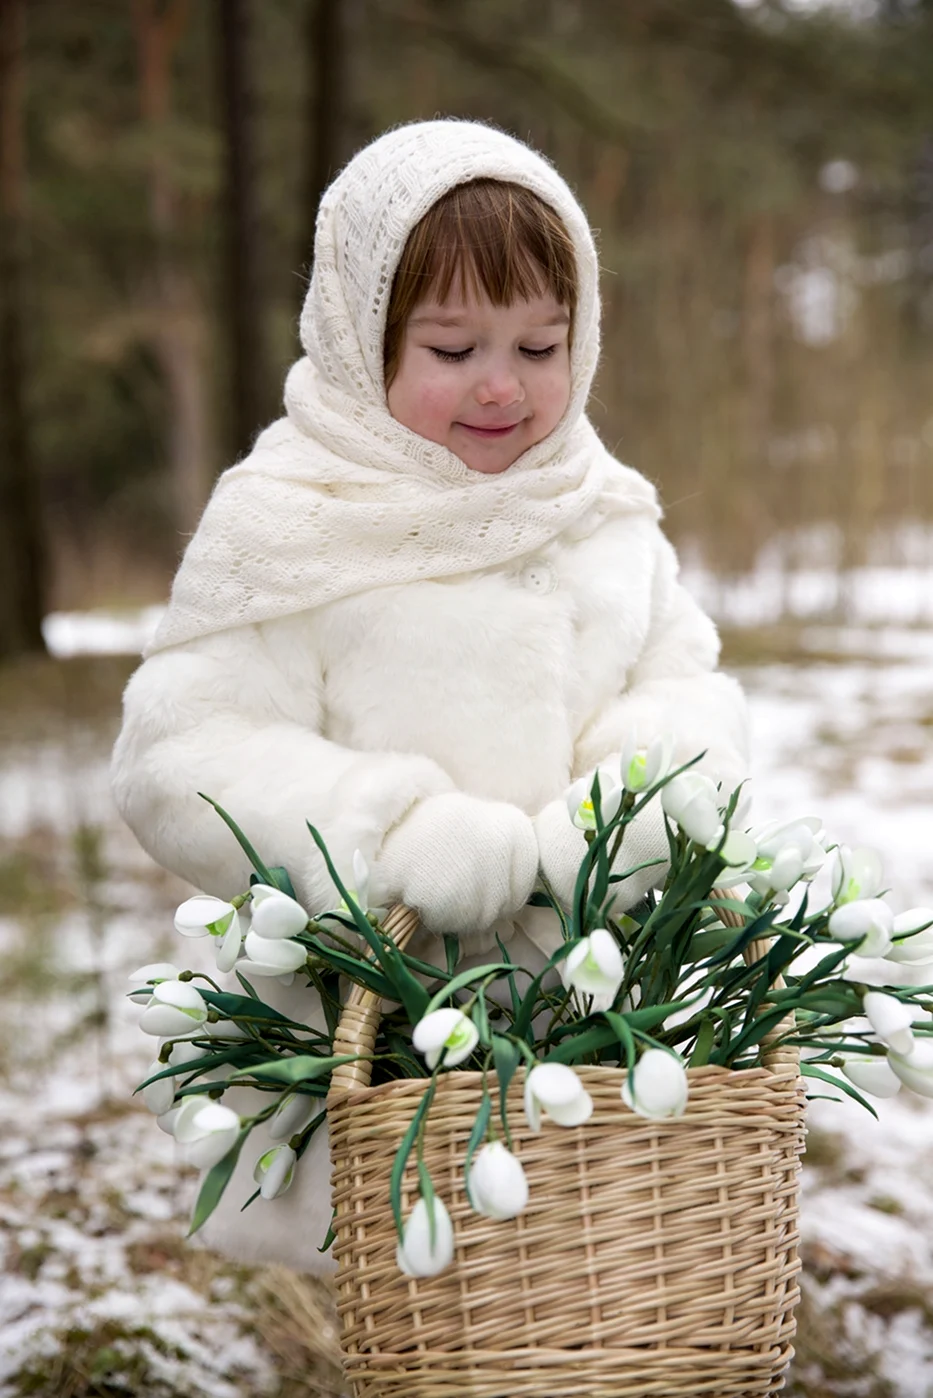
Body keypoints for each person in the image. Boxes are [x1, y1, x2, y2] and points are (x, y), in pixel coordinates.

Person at [111, 119, 748, 1275]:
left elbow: (688, 684)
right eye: (452, 350)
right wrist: (391, 834)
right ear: (363, 341)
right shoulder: (291, 518)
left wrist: (627, 807)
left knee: (593, 1310)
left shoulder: (601, 509)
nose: (503, 386)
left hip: (603, 1037)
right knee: (433, 1318)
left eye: (541, 345)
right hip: (382, 1057)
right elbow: (178, 756)